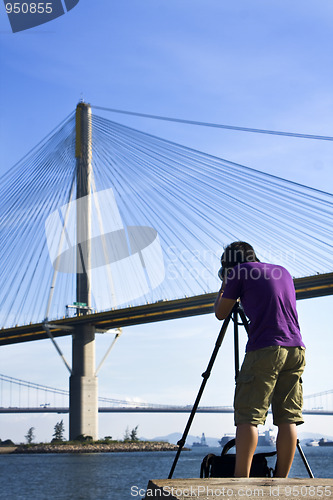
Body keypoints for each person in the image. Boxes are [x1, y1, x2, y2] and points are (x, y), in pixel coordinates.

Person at [214, 241, 305, 478]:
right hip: (296, 348)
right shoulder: (282, 271)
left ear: (230, 263)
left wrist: (225, 283)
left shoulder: (238, 272)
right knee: (287, 418)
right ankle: (281, 480)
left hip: (265, 348)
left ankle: (241, 481)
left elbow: (220, 313)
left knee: (248, 417)